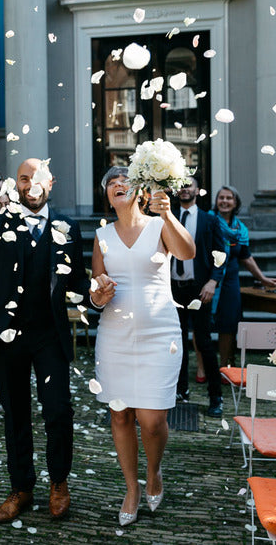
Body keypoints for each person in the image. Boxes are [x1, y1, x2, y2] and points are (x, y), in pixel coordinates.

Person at [0, 158, 115, 523]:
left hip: (49, 334)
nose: (31, 185)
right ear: (17, 184)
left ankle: (59, 483)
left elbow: (73, 283)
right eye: (24, 178)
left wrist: (95, 298)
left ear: (50, 182)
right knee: (15, 414)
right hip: (7, 337)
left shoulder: (67, 227)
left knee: (58, 411)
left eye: (37, 178)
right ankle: (21, 488)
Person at [91, 167, 194, 526]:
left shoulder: (158, 225)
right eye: (111, 183)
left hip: (159, 333)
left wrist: (167, 213)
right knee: (120, 414)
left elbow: (188, 252)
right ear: (107, 195)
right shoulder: (101, 234)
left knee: (152, 420)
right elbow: (97, 289)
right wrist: (99, 295)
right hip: (115, 336)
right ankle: (131, 488)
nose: (118, 184)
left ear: (140, 190)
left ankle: (154, 473)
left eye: (125, 180)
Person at [170, 177, 228, 417]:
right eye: (181, 185)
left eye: (189, 185)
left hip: (200, 288)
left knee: (204, 343)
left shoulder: (209, 219)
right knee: (176, 342)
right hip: (173, 288)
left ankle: (216, 398)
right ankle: (180, 390)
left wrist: (213, 282)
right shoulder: (168, 217)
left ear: (197, 190)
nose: (185, 189)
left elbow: (220, 253)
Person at [210, 186, 276, 367]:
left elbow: (246, 257)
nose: (224, 201)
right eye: (221, 198)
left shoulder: (240, 229)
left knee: (229, 324)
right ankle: (204, 367)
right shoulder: (208, 221)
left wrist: (263, 279)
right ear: (216, 201)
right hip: (209, 277)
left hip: (230, 281)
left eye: (229, 198)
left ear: (235, 203)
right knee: (202, 323)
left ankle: (225, 365)